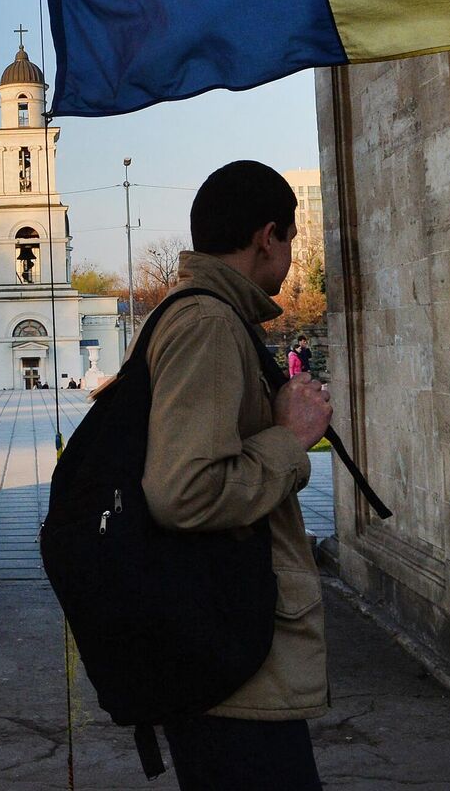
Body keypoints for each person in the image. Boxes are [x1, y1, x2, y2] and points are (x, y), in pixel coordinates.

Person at [141, 160, 333, 790]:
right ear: (266, 236)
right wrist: (290, 439)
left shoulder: (204, 313)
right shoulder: (209, 323)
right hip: (234, 659)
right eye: (292, 240)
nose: (289, 254)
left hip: (223, 645)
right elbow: (184, 492)